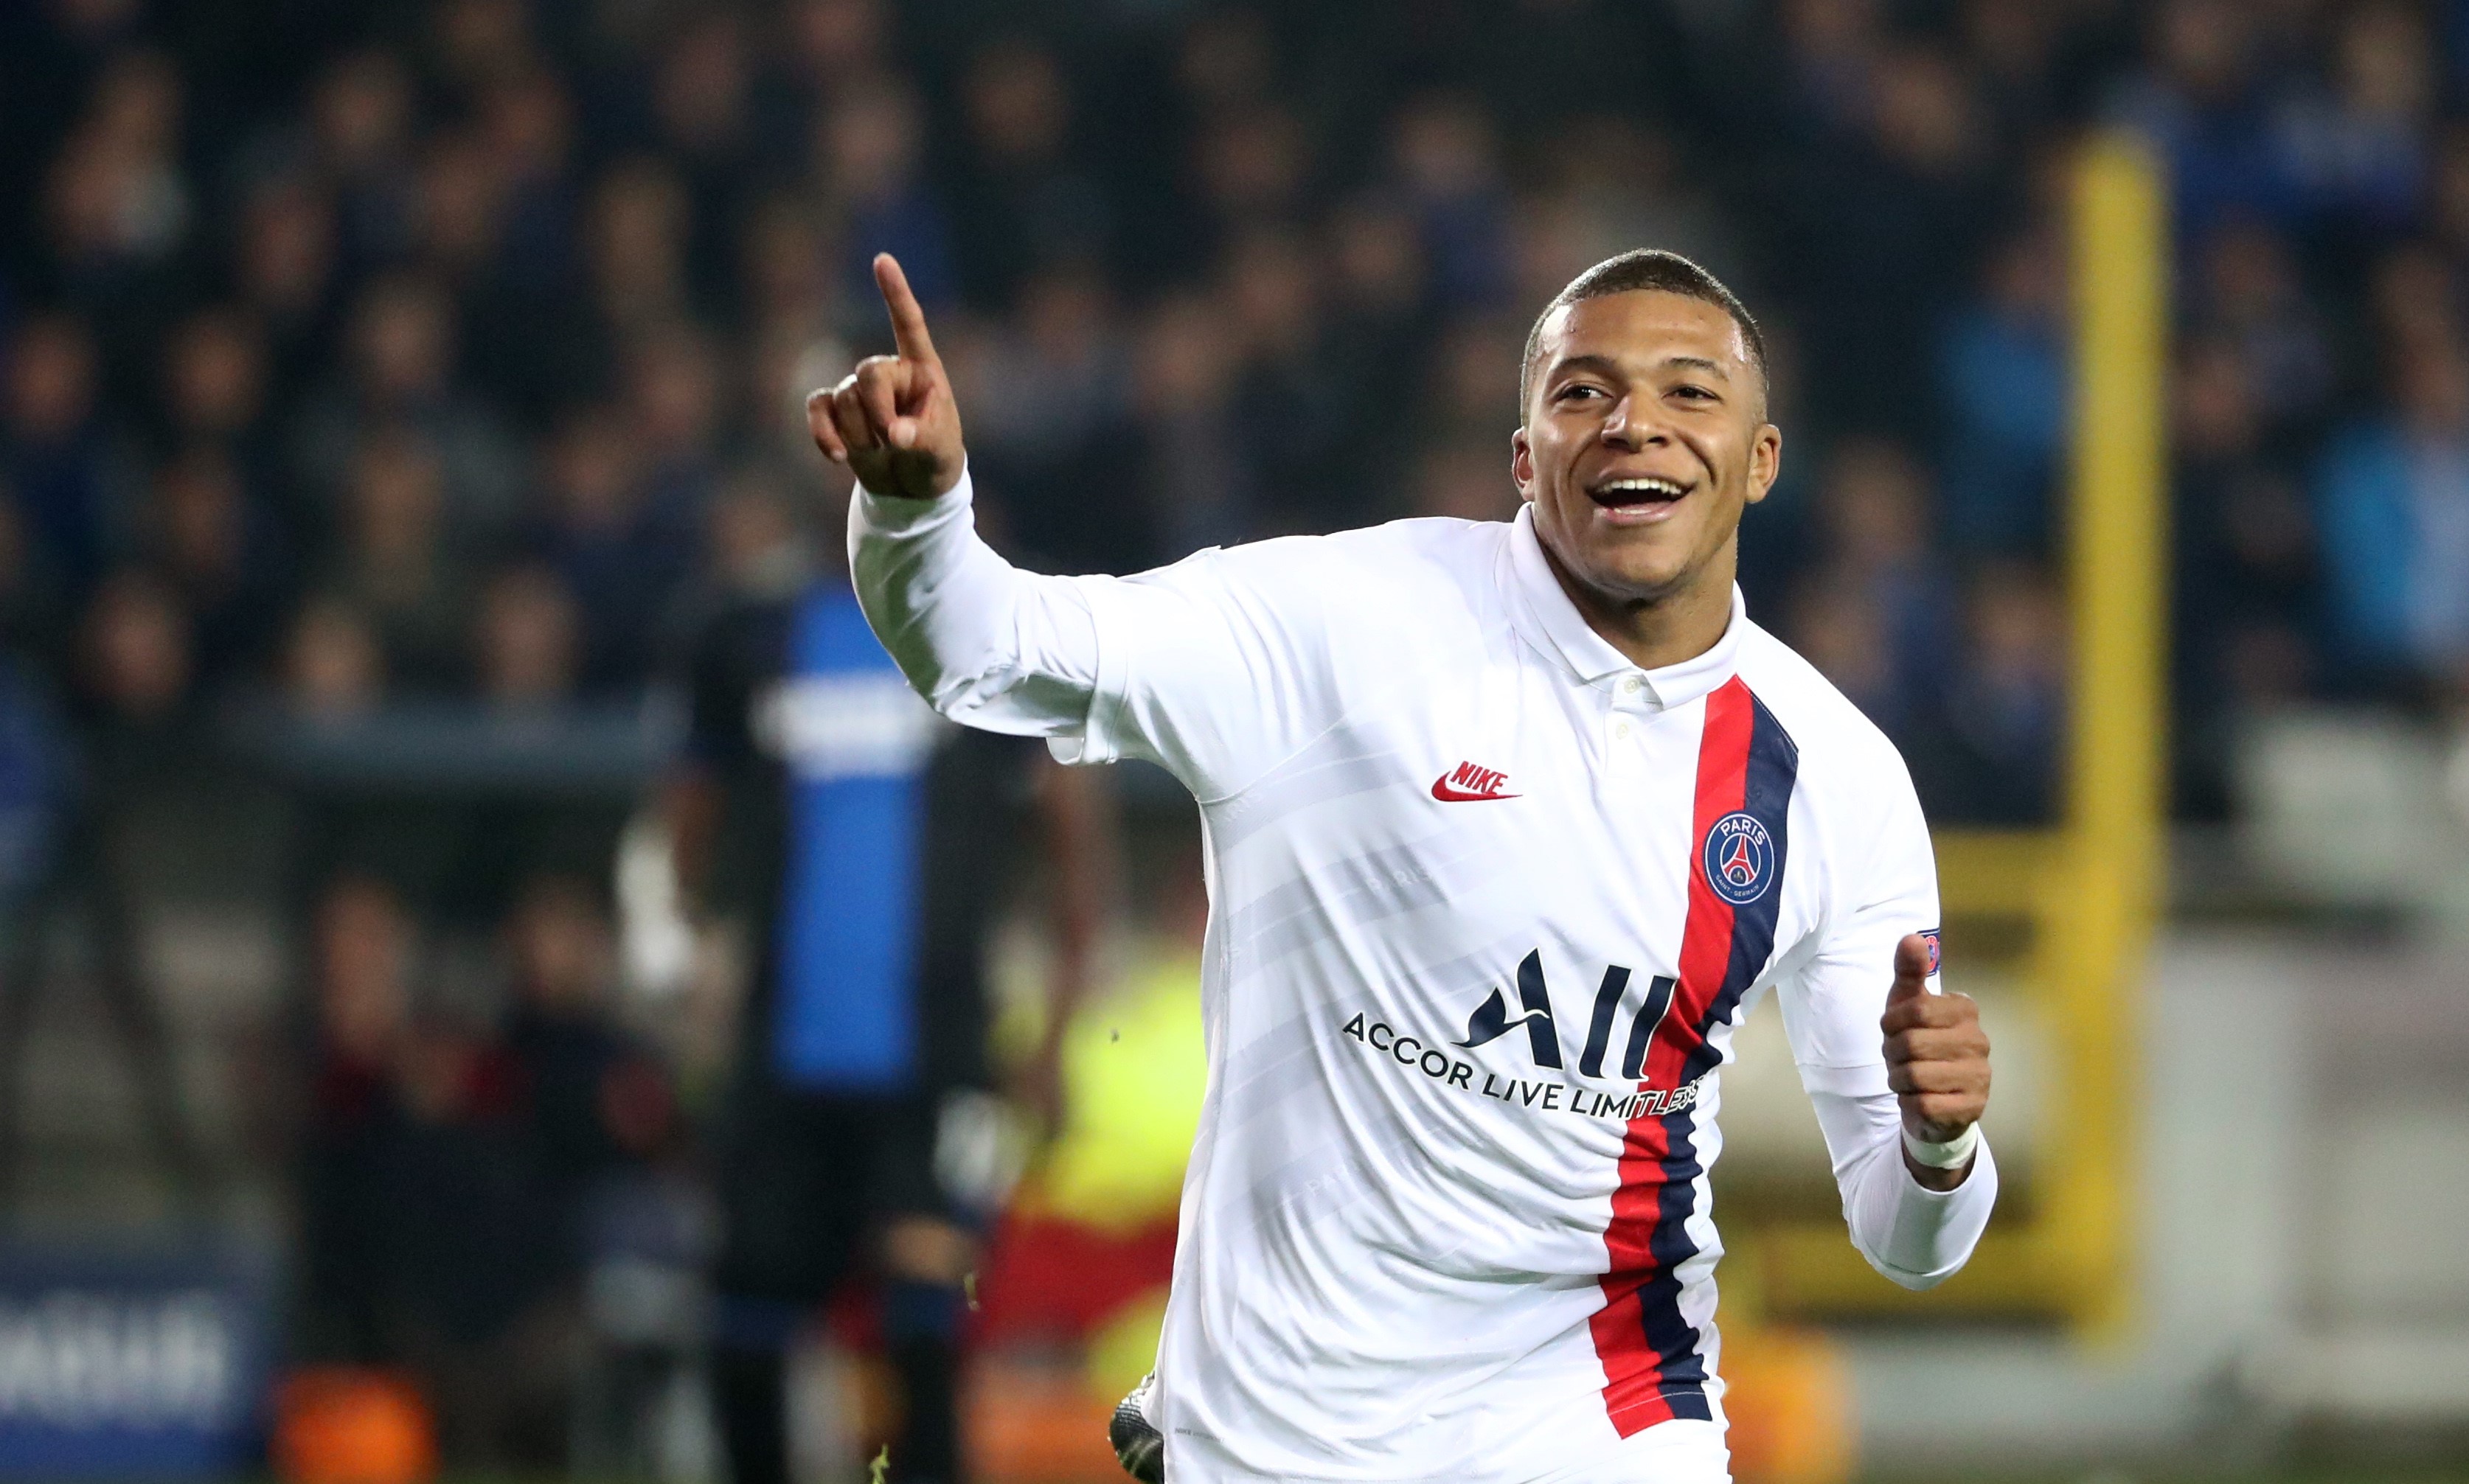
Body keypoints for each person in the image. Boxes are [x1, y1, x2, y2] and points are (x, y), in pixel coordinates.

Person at [813, 249, 1998, 1484]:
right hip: (1282, 1440)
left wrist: (1938, 1146)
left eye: (1690, 391)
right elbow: (982, 647)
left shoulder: (1837, 781)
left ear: (1761, 457)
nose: (1636, 420)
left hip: (1606, 1423)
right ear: (1525, 458)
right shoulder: (1338, 624)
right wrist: (915, 512)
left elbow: (1913, 1240)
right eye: (1585, 391)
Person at [664, 471, 1103, 1484]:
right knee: (747, 1312)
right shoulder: (742, 635)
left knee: (922, 1319)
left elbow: (1070, 832)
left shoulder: (985, 625)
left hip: (934, 1051)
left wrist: (1055, 1028)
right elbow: (686, 814)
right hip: (781, 1049)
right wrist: (689, 961)